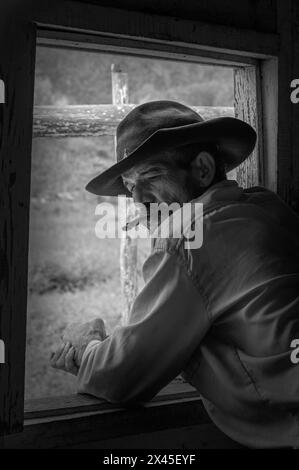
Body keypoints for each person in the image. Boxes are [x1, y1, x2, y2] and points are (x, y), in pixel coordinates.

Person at [50, 101, 299, 448]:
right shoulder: (264, 206)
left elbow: (123, 377)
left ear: (201, 169)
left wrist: (85, 346)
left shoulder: (189, 236)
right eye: (128, 184)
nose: (136, 197)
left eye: (151, 176)